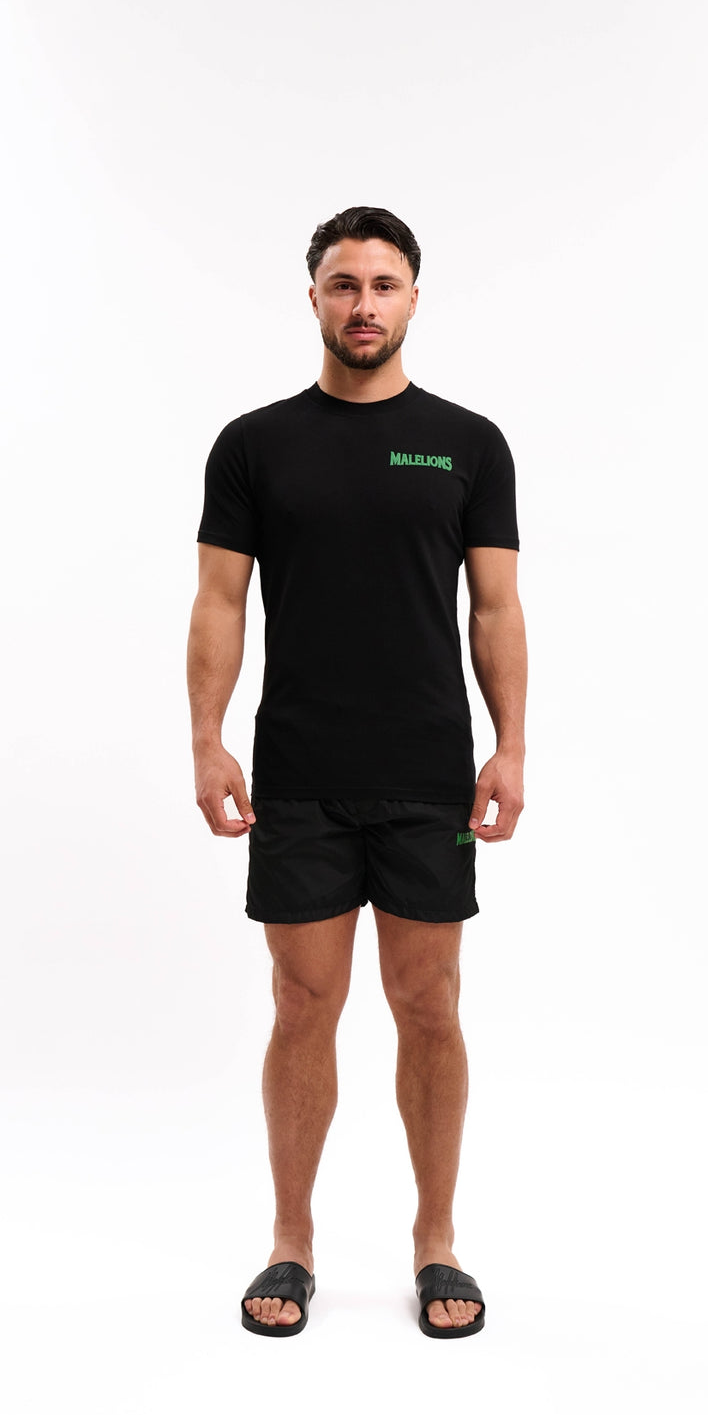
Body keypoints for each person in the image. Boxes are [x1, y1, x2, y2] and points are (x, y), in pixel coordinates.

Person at [187, 206, 526, 1339]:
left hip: (428, 773)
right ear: (315, 299)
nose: (364, 304)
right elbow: (220, 602)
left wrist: (511, 744)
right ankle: (291, 1240)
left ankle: (437, 1241)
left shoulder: (469, 444)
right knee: (302, 1004)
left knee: (429, 1004)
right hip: (300, 773)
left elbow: (496, 607)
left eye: (384, 284)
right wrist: (207, 739)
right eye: (344, 284)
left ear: (414, 298)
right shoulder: (255, 445)